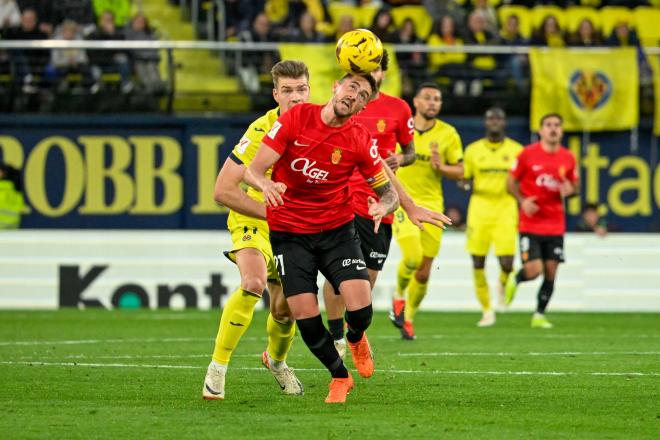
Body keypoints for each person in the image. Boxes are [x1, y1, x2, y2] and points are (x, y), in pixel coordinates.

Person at [245, 73, 399, 404]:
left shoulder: (359, 139)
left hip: (336, 231)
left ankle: (356, 336)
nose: (354, 95)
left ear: (364, 105)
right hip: (289, 232)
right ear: (335, 87)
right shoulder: (297, 118)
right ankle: (340, 377)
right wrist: (266, 185)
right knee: (303, 311)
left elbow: (389, 194)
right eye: (351, 87)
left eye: (362, 95)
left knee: (361, 307)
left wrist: (380, 205)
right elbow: (253, 170)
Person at [202, 60, 310, 401]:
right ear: (276, 94)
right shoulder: (261, 130)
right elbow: (222, 190)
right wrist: (271, 210)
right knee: (253, 282)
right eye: (288, 91)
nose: (296, 97)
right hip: (254, 220)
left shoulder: (320, 127)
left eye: (302, 89)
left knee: (286, 309)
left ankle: (276, 361)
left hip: (293, 228)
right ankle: (217, 369)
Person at [322, 49, 416, 357]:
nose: (368, 77)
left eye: (373, 70)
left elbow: (410, 152)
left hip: (380, 203)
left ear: (383, 73)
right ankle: (336, 338)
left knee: (366, 281)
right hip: (344, 199)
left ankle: (354, 334)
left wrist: (401, 158)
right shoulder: (345, 103)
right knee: (338, 278)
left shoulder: (399, 108)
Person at [391, 82, 464, 340]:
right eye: (428, 98)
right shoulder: (401, 126)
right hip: (403, 202)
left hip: (433, 205)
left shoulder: (448, 134)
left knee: (423, 271)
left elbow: (461, 171)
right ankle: (398, 297)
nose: (433, 102)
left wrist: (441, 167)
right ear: (416, 102)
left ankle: (408, 318)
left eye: (437, 99)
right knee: (412, 256)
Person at [505, 113, 579, 329]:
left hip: (555, 224)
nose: (553, 129)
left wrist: (571, 190)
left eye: (557, 125)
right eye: (548, 125)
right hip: (530, 223)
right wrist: (522, 200)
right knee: (534, 270)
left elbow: (575, 187)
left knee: (551, 272)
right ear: (541, 130)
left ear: (562, 130)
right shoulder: (528, 154)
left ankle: (539, 314)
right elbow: (510, 183)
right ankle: (516, 279)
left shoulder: (568, 157)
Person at [462, 107, 523, 327]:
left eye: (499, 118)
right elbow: (465, 178)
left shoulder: (517, 150)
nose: (495, 121)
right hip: (480, 208)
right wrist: (464, 182)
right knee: (478, 261)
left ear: (504, 122)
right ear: (486, 123)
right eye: (490, 118)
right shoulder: (473, 150)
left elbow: (522, 180)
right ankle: (487, 310)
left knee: (507, 263)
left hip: (506, 208)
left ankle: (502, 282)